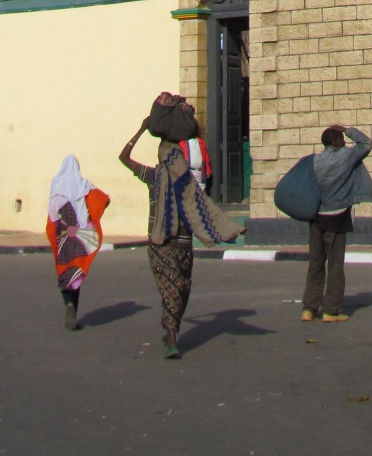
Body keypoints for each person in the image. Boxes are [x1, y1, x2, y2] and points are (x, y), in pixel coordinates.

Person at [120, 111, 245, 359]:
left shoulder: (184, 183)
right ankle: (173, 337)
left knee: (182, 289)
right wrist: (143, 128)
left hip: (181, 244)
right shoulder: (157, 177)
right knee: (173, 290)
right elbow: (123, 158)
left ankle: (171, 325)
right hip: (162, 243)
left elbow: (206, 210)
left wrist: (228, 228)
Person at [301, 123, 372, 323]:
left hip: (316, 216)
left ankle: (309, 309)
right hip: (336, 217)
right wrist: (347, 130)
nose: (344, 142)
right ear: (336, 141)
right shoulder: (345, 156)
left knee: (315, 263)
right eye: (341, 139)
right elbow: (366, 144)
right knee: (335, 264)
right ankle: (330, 310)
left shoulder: (315, 160)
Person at [46, 155, 109, 331]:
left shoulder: (56, 185)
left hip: (63, 237)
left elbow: (51, 215)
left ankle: (69, 306)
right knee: (76, 274)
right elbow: (103, 199)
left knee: (65, 273)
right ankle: (74, 310)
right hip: (80, 238)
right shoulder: (84, 185)